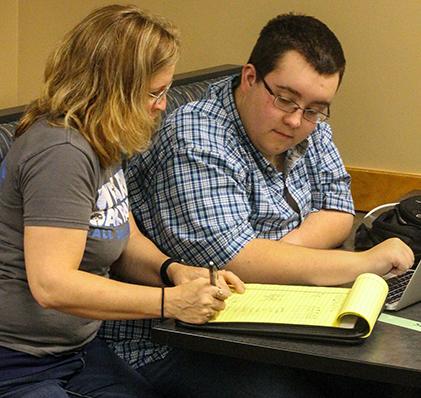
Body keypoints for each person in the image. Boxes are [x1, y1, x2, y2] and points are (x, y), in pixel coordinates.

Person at [102, 12, 415, 398]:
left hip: (272, 321)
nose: (296, 120)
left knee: (391, 382)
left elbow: (338, 212)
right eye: (285, 99)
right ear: (250, 78)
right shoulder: (196, 135)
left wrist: (276, 257)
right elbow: (232, 260)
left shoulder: (306, 123)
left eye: (315, 109)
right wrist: (365, 262)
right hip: (172, 340)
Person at [0, 5, 245, 398]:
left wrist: (174, 271)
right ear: (114, 89)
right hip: (18, 363)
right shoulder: (62, 150)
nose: (163, 104)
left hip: (75, 351)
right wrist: (171, 302)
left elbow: (122, 236)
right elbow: (52, 285)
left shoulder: (102, 139)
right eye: (154, 92)